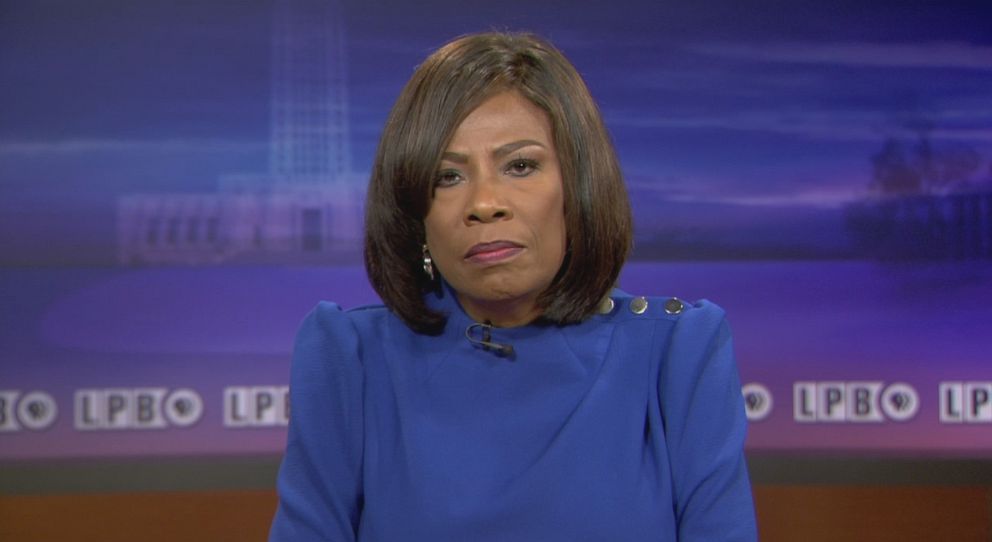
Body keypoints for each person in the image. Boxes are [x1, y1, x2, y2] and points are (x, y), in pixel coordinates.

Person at [269, 32, 756, 541]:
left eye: (520, 166)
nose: (485, 203)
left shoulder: (677, 351)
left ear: (579, 185)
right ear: (416, 213)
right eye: (447, 177)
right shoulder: (351, 358)